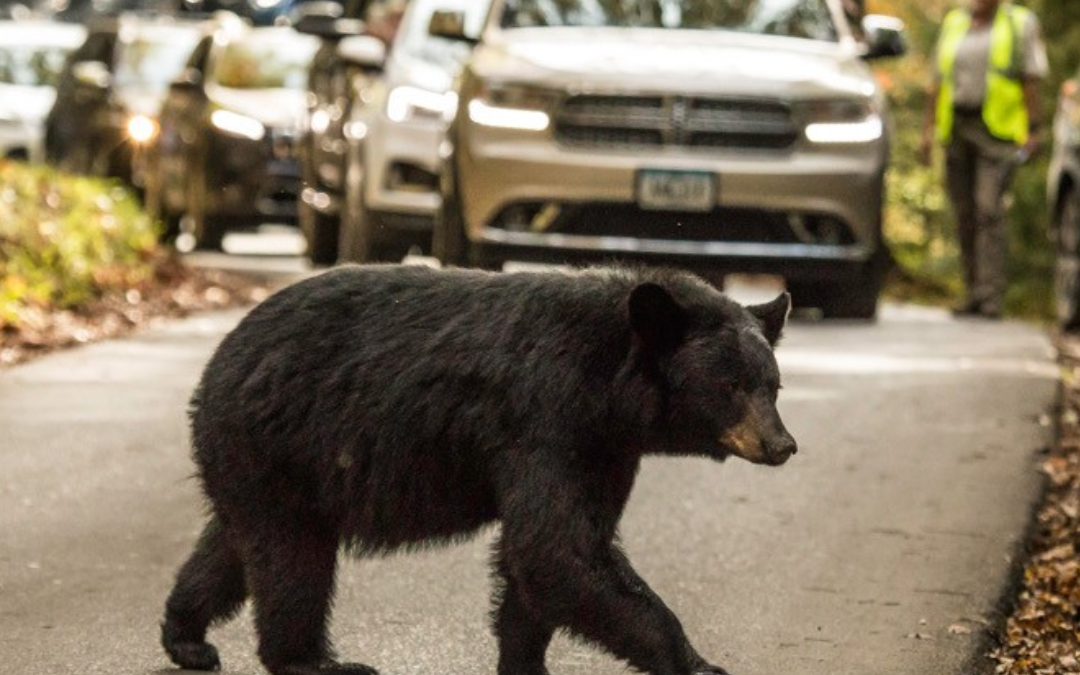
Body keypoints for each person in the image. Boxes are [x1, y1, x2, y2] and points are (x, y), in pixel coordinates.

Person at [919, 0, 1048, 319]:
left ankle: (991, 296)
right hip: (956, 129)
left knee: (989, 209)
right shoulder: (954, 23)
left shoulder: (1019, 23)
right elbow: (937, 82)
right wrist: (927, 131)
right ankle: (972, 292)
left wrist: (1034, 129)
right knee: (964, 212)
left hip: (998, 134)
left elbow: (1030, 78)